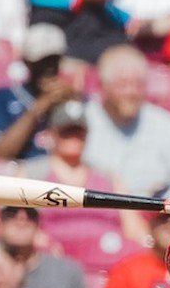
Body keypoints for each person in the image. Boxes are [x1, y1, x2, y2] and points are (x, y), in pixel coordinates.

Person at [83, 45, 170, 198]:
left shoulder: (167, 125)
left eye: (138, 84)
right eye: (123, 84)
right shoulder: (82, 122)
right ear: (103, 87)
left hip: (156, 215)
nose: (131, 92)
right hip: (97, 214)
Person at [18, 100, 139, 248]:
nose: (73, 137)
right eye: (66, 132)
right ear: (52, 134)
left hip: (107, 256)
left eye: (78, 132)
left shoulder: (108, 177)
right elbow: (16, 224)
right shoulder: (31, 173)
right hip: (53, 258)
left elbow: (134, 229)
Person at [0, 23, 79, 161]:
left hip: (58, 178)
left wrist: (73, 103)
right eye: (42, 62)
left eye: (54, 61)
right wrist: (39, 107)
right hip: (18, 177)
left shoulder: (71, 98)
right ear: (27, 62)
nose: (49, 68)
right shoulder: (3, 97)